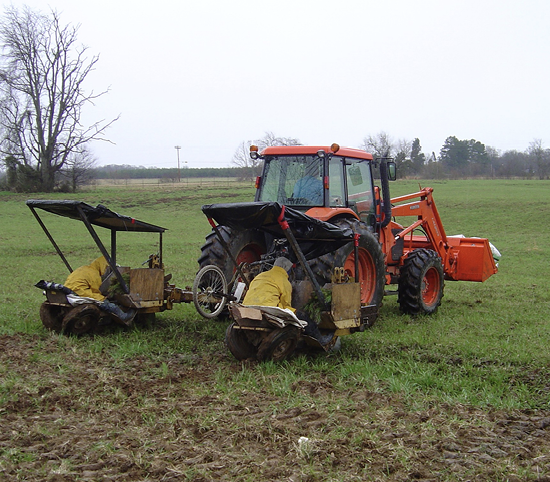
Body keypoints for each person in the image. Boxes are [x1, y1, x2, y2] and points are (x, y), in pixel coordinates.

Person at [242, 257, 332, 345]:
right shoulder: (284, 281)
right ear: (287, 270)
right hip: (267, 310)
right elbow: (286, 305)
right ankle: (320, 339)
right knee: (302, 316)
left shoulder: (260, 276)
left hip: (247, 307)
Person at [64, 256, 136, 323]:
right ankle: (124, 316)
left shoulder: (85, 268)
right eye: (106, 267)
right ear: (102, 266)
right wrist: (105, 296)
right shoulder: (94, 274)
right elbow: (96, 290)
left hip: (69, 289)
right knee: (103, 301)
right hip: (80, 291)